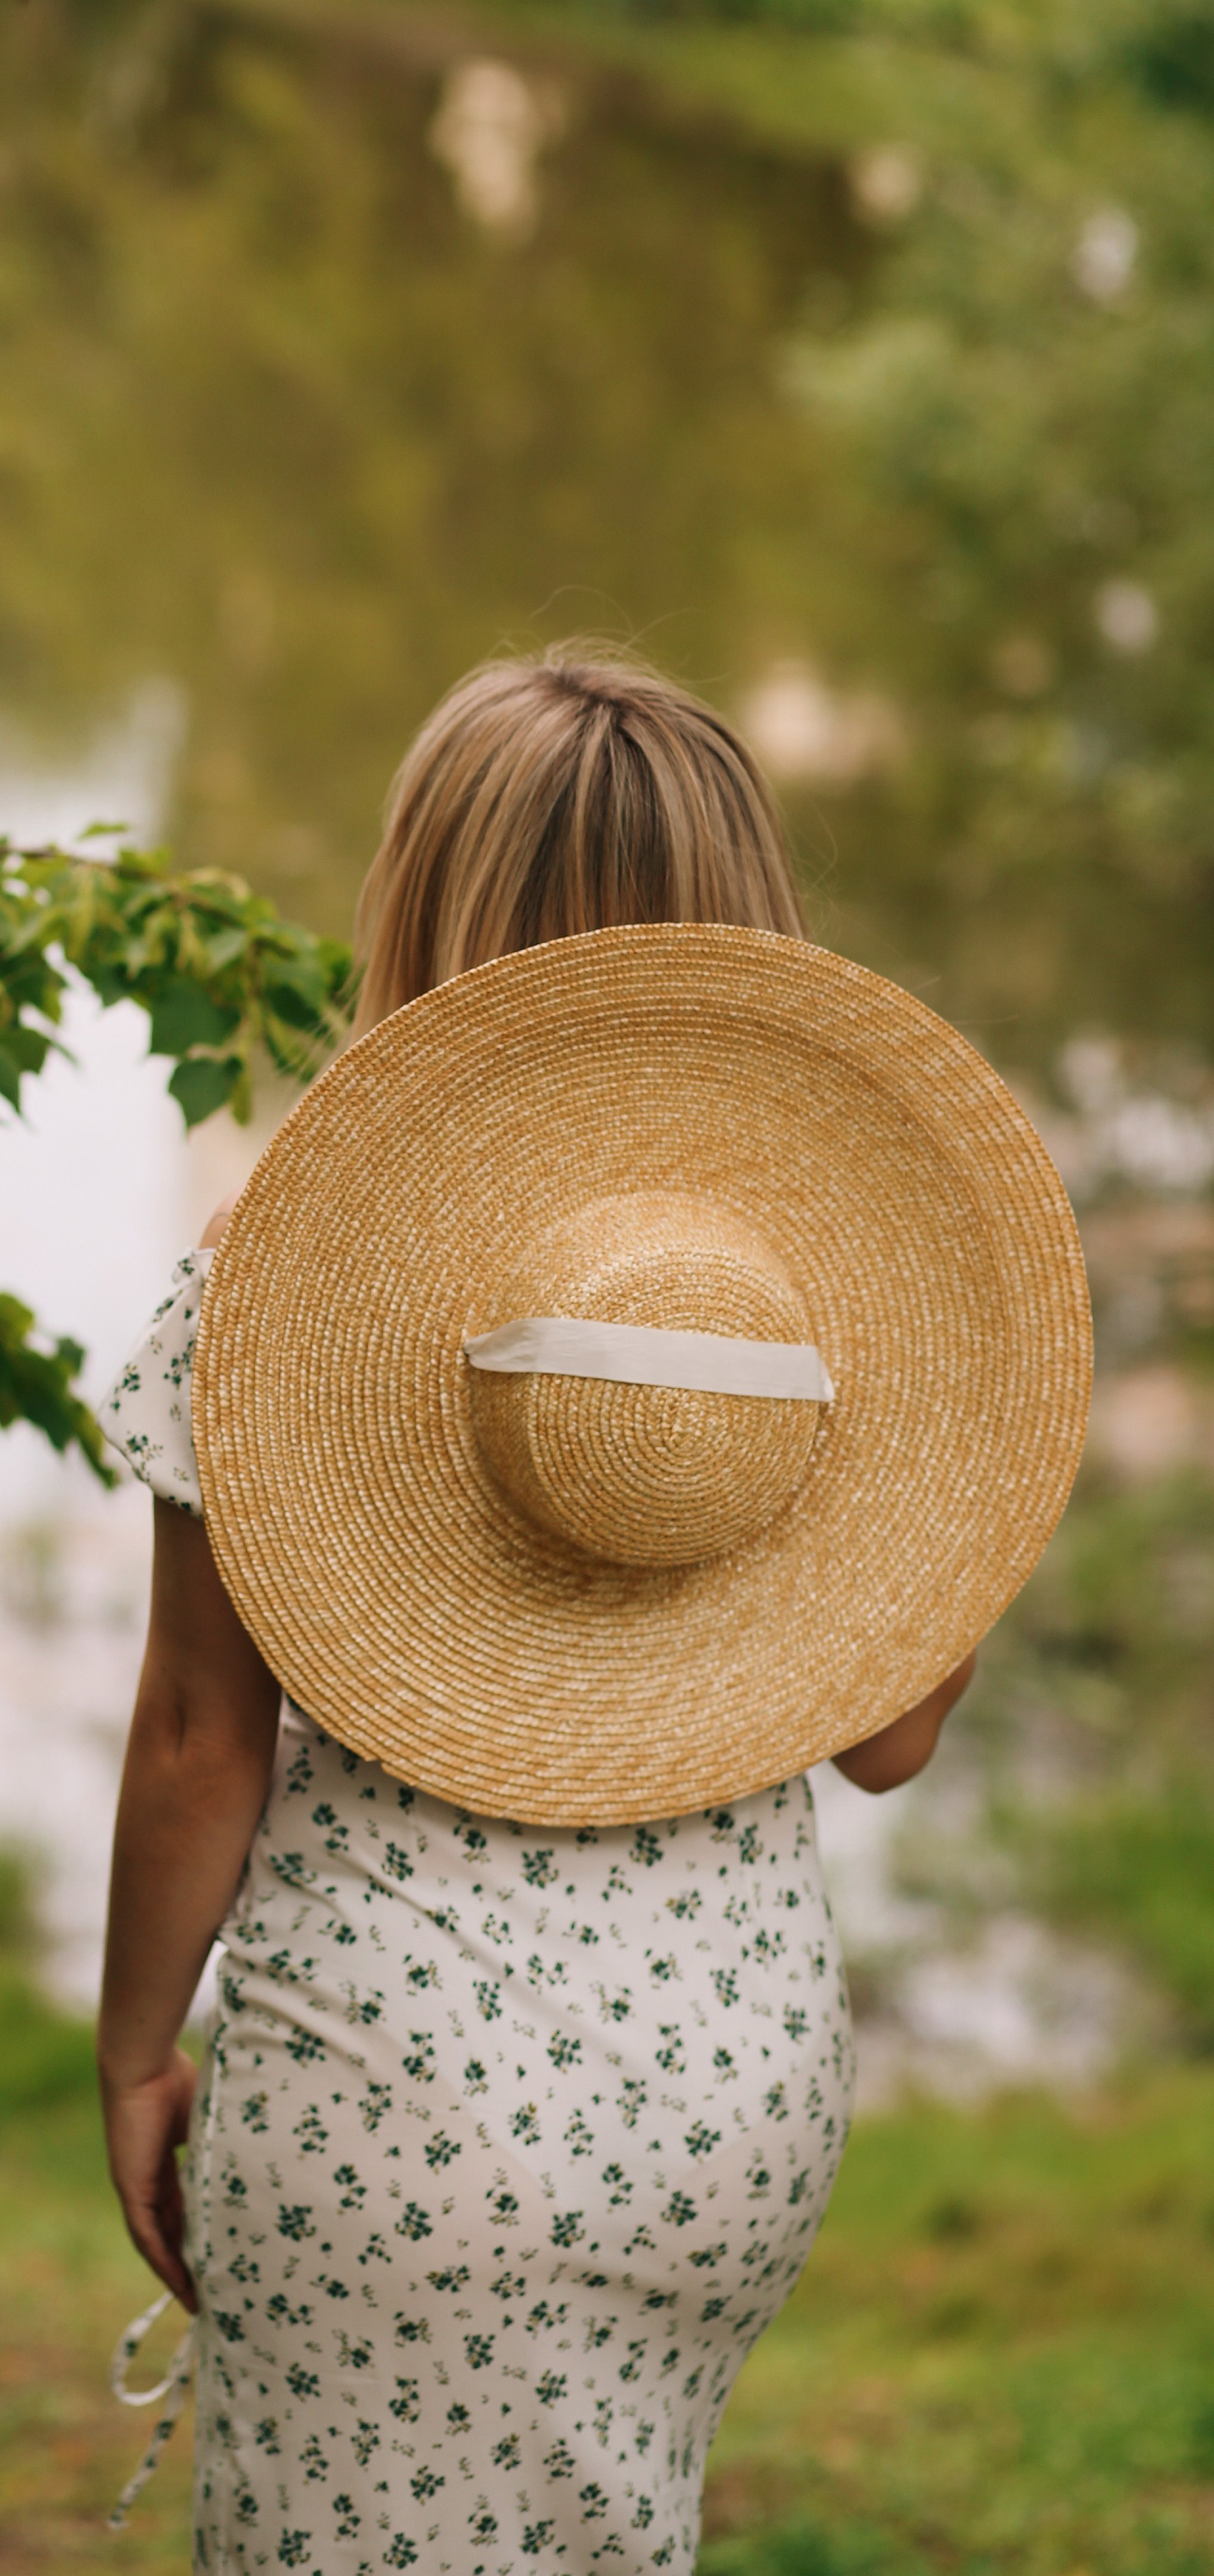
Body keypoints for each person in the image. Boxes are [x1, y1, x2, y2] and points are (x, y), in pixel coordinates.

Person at [94, 645, 1059, 2575]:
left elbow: (208, 1736)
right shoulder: (830, 1307)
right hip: (731, 2090)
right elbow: (886, 1742)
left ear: (423, 896)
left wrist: (135, 2052)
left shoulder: (277, 1278)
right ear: (742, 928)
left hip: (400, 2097)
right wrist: (935, 1443)